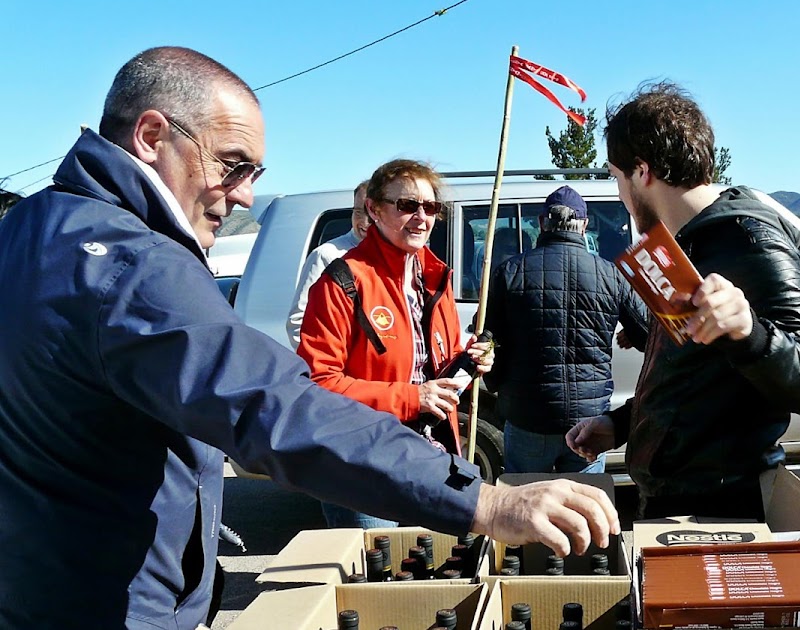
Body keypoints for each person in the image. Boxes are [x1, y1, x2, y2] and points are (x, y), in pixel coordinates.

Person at [0, 47, 618, 630]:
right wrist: (483, 502)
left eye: (254, 173)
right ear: (153, 136)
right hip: (106, 597)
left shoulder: (29, 226)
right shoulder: (136, 266)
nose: (243, 193)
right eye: (232, 164)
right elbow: (282, 404)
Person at [567, 81, 800, 520]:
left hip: (722, 512)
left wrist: (749, 330)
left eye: (617, 179)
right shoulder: (679, 245)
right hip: (671, 500)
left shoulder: (748, 238)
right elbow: (690, 383)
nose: (620, 195)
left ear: (643, 172)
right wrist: (620, 425)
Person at [297, 159, 494, 529]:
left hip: (431, 459)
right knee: (376, 580)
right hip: (363, 467)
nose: (421, 217)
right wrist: (411, 398)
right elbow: (318, 385)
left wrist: (469, 363)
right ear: (373, 209)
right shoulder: (342, 280)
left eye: (431, 207)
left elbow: (437, 365)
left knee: (427, 577)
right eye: (407, 205)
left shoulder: (436, 279)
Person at [484, 185, 649, 474]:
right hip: (589, 422)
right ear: (584, 225)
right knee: (583, 510)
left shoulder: (509, 272)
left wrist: (499, 388)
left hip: (528, 417)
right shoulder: (611, 274)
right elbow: (649, 334)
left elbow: (487, 339)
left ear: (541, 223)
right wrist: (630, 335)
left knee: (527, 508)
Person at [286, 180, 371, 348]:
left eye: (373, 213)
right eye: (359, 212)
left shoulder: (401, 258)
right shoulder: (328, 255)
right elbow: (298, 322)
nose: (365, 222)